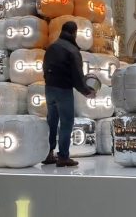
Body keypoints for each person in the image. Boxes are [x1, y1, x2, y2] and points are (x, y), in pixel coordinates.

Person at [42, 21, 96, 167]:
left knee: (52, 122)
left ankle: (48, 153)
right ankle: (63, 156)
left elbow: (44, 66)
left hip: (49, 89)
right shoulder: (72, 50)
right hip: (63, 90)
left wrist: (48, 81)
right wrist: (86, 91)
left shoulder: (51, 47)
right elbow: (77, 75)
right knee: (66, 123)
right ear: (74, 33)